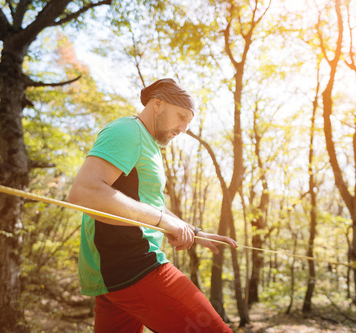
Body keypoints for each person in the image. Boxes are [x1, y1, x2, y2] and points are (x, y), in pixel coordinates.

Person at [68, 78, 237, 332]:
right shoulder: (128, 130)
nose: (183, 128)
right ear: (157, 104)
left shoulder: (150, 146)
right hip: (135, 266)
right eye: (181, 116)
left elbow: (147, 204)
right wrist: (163, 221)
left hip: (116, 277)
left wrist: (192, 230)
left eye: (188, 123)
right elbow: (83, 192)